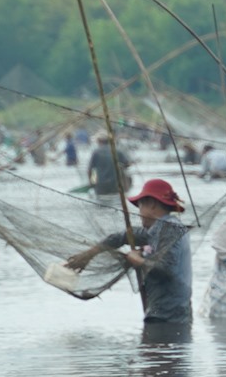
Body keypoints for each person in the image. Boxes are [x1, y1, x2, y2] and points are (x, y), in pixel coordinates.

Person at [63, 177, 193, 328]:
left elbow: (166, 269)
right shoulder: (157, 229)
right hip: (167, 315)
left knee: (155, 350)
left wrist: (138, 260)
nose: (139, 212)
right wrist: (89, 255)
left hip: (169, 317)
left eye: (140, 206)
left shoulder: (169, 228)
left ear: (152, 204)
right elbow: (122, 237)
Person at [86, 133, 128, 199]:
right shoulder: (117, 151)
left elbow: (89, 170)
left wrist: (91, 183)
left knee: (102, 202)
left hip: (101, 184)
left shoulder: (96, 152)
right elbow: (126, 164)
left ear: (99, 141)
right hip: (115, 184)